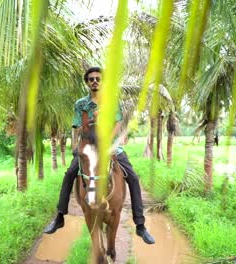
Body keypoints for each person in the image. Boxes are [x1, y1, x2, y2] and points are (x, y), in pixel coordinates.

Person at [43, 67, 155, 244]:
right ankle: (59, 217)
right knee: (69, 175)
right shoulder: (80, 104)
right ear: (87, 82)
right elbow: (77, 127)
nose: (94, 81)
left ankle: (140, 226)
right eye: (91, 79)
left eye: (98, 78)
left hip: (111, 147)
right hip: (88, 144)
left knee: (133, 178)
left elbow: (118, 123)